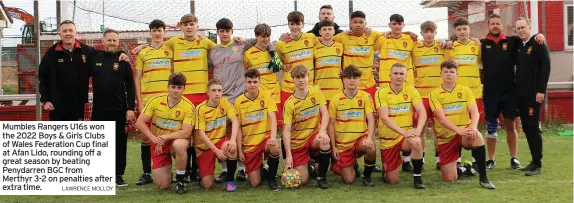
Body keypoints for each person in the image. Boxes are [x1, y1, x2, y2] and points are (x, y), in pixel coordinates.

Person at [480, 14, 545, 170]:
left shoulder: (512, 41)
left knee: (511, 125)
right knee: (491, 126)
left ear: (502, 26)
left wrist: (539, 35)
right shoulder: (481, 44)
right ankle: (491, 159)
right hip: (490, 93)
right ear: (488, 26)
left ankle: (514, 158)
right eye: (492, 24)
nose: (495, 26)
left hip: (509, 92)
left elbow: (528, 39)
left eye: (498, 23)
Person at [38, 20, 128, 121]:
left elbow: (106, 54)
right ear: (60, 34)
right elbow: (42, 77)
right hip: (57, 105)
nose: (68, 33)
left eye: (70, 30)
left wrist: (121, 52)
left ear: (75, 33)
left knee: (77, 135)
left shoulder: (86, 50)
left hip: (77, 104)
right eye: (65, 31)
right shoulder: (51, 53)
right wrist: (45, 100)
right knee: (60, 135)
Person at [429, 60, 495, 189]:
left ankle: (484, 178)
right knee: (449, 179)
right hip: (446, 137)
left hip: (464, 132)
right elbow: (441, 118)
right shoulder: (434, 94)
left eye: (452, 72)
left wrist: (473, 127)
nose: (449, 74)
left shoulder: (465, 90)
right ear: (441, 74)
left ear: (457, 74)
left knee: (477, 136)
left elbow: (474, 112)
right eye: (446, 72)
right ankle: (465, 169)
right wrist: (457, 130)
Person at [88, 29, 136, 187]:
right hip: (99, 110)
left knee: (119, 143)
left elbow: (130, 86)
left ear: (118, 42)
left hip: (119, 110)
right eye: (109, 40)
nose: (112, 43)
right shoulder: (94, 58)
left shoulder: (123, 61)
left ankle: (118, 175)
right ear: (103, 41)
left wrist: (130, 108)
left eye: (115, 40)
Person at [134, 73, 195, 194]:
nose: (176, 90)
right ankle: (168, 172)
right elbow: (139, 122)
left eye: (179, 88)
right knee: (163, 185)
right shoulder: (156, 101)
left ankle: (180, 180)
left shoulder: (189, 106)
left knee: (179, 145)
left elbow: (186, 132)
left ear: (184, 89)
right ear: (168, 87)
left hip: (175, 141)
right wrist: (153, 138)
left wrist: (166, 137)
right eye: (173, 87)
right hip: (158, 143)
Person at [375, 14, 417, 172]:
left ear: (403, 25)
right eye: (394, 24)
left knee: (407, 119)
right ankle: (387, 154)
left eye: (400, 24)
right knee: (387, 119)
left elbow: (426, 44)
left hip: (406, 88)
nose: (397, 26)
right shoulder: (382, 39)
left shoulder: (411, 40)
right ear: (389, 25)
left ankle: (407, 160)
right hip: (386, 87)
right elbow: (367, 41)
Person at [133, 19, 173, 186]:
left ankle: (179, 171)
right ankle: (146, 172)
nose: (157, 33)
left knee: (170, 136)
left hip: (168, 101)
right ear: (150, 32)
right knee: (145, 136)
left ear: (164, 32)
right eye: (154, 30)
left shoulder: (170, 49)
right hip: (149, 101)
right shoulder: (143, 53)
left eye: (160, 30)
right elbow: (137, 78)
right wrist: (139, 101)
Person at [375, 63, 426, 189]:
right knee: (392, 180)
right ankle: (387, 170)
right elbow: (385, 118)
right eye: (395, 73)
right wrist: (404, 132)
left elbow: (422, 111)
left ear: (406, 76)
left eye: (401, 73)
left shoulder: (411, 90)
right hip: (389, 139)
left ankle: (417, 177)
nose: (398, 76)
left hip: (405, 138)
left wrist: (417, 131)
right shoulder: (381, 92)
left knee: (417, 141)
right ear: (390, 76)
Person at [282, 65, 331, 189]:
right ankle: (310, 164)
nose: (301, 80)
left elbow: (325, 112)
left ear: (308, 77)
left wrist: (322, 131)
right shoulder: (289, 103)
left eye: (303, 77)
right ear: (293, 79)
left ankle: (321, 177)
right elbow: (286, 130)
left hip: (313, 136)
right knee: (302, 180)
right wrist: (288, 156)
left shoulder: (316, 91)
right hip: (298, 143)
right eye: (297, 77)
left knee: (324, 141)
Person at [234, 69, 282, 190]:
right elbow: (238, 128)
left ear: (260, 82)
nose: (252, 85)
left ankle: (272, 178)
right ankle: (264, 169)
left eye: (255, 82)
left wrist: (272, 137)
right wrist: (240, 150)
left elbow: (272, 117)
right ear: (245, 83)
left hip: (265, 139)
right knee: (255, 183)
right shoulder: (239, 102)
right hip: (250, 144)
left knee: (275, 145)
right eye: (249, 82)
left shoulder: (266, 95)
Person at [329, 65, 377, 186]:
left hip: (360, 140)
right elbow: (331, 124)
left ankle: (367, 177)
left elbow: (371, 118)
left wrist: (370, 138)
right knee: (349, 180)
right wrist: (333, 147)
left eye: (355, 78)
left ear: (359, 80)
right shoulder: (335, 99)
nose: (352, 80)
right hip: (343, 144)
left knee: (371, 148)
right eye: (348, 78)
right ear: (343, 80)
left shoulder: (366, 96)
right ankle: (345, 165)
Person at [444, 17, 483, 168]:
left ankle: (476, 161)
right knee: (457, 126)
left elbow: (483, 62)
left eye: (464, 28)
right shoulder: (451, 48)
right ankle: (457, 161)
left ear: (469, 29)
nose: (462, 32)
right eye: (459, 29)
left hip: (475, 92)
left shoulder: (476, 45)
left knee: (474, 125)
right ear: (455, 31)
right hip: (457, 93)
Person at [515, 17, 550, 176]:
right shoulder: (519, 45)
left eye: (523, 27)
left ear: (530, 27)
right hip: (521, 95)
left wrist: (541, 91)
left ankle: (538, 164)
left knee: (533, 126)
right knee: (527, 128)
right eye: (518, 28)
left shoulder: (538, 43)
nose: (521, 30)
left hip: (533, 96)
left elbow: (546, 67)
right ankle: (533, 161)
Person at [195, 79, 240, 192]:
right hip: (205, 147)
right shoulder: (200, 109)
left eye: (219, 90)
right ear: (208, 93)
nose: (217, 93)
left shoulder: (225, 103)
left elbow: (235, 121)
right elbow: (201, 134)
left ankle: (230, 181)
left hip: (220, 142)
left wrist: (233, 140)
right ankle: (201, 172)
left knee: (231, 147)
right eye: (213, 90)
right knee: (208, 185)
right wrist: (216, 151)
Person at [412, 21, 445, 170]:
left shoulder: (442, 46)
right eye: (426, 31)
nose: (429, 34)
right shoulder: (415, 47)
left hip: (438, 95)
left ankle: (440, 159)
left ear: (436, 32)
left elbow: (454, 45)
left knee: (440, 128)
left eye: (432, 31)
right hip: (421, 95)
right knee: (421, 128)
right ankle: (421, 157)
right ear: (421, 33)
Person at [313, 20, 344, 104]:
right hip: (320, 90)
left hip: (337, 89)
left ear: (334, 31)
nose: (327, 31)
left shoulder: (340, 46)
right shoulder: (314, 48)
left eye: (330, 29)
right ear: (320, 32)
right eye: (324, 29)